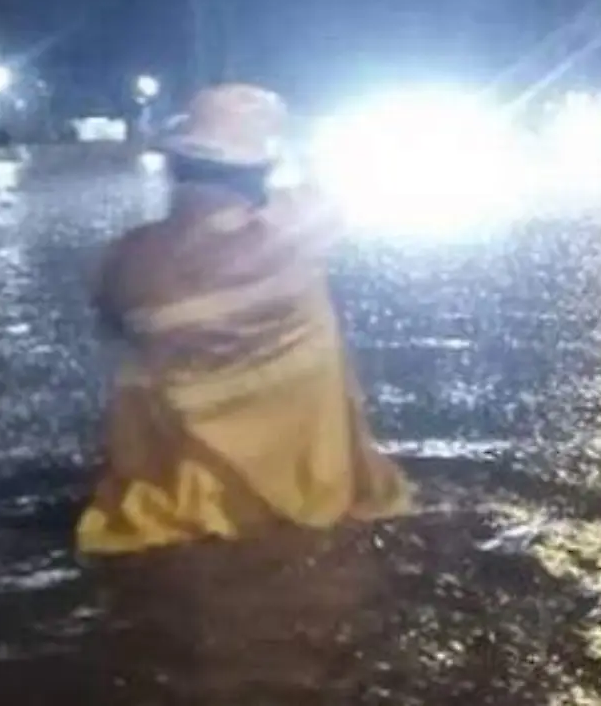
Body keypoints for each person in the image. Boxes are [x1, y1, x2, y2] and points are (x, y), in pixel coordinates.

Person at [77, 84, 410, 555]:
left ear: (175, 167)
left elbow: (109, 323)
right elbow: (332, 194)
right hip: (313, 499)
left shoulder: (125, 258)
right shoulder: (294, 228)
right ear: (261, 173)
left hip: (172, 511)